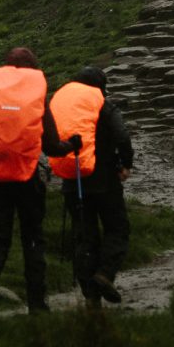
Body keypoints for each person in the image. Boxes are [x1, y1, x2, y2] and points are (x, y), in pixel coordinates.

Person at [0, 45, 76, 320]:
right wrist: (70, 146)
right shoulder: (36, 94)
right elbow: (50, 145)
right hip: (26, 177)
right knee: (32, 239)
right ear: (33, 69)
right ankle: (37, 304)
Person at [48, 67, 135, 306]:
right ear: (100, 87)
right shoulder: (102, 104)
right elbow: (122, 135)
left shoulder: (60, 102)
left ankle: (90, 294)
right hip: (105, 179)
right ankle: (104, 274)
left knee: (85, 236)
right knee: (117, 228)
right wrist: (126, 163)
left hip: (72, 180)